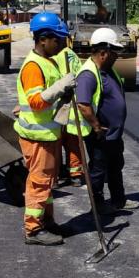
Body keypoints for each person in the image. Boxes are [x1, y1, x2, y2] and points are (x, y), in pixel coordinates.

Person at [14, 12, 75, 246]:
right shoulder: (32, 66)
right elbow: (37, 102)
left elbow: (49, 101)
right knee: (39, 182)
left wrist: (64, 94)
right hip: (37, 136)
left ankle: (47, 221)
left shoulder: (48, 62)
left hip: (48, 134)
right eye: (57, 40)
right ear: (43, 39)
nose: (60, 45)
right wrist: (61, 86)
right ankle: (33, 229)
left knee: (47, 182)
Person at [75, 28, 139, 213]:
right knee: (98, 169)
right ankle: (98, 204)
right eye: (114, 53)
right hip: (100, 134)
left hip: (113, 133)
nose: (116, 57)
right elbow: (83, 104)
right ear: (103, 53)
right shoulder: (88, 74)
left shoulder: (108, 70)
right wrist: (96, 127)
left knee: (115, 166)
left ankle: (118, 199)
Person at [53, 41, 85, 187]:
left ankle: (57, 173)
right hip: (74, 106)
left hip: (62, 106)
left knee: (56, 142)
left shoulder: (57, 56)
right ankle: (76, 174)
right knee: (74, 142)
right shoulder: (72, 55)